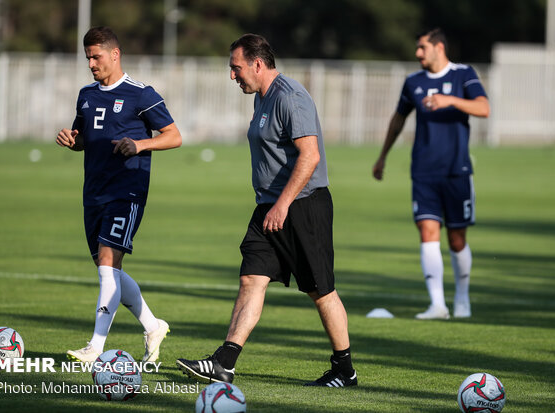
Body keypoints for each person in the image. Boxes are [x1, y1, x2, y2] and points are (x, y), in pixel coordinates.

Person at [176, 34, 357, 387]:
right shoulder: (262, 98)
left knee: (320, 290)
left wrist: (283, 205)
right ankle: (223, 362)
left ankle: (344, 370)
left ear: (258, 64)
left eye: (236, 67)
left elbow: (311, 156)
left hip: (302, 207)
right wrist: (272, 206)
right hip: (268, 208)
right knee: (251, 279)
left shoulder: (290, 98)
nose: (232, 75)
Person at [56, 26, 182, 362]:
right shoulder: (86, 94)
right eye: (87, 58)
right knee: (107, 270)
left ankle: (95, 347)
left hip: (127, 191)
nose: (91, 63)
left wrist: (139, 144)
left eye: (96, 56)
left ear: (115, 54)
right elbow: (85, 137)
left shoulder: (142, 94)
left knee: (108, 265)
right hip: (93, 192)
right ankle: (153, 325)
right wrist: (73, 140)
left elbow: (173, 136)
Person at [372, 28, 489, 320]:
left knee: (457, 239)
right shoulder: (414, 82)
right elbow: (399, 118)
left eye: (422, 47)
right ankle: (437, 305)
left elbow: (484, 108)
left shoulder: (464, 74)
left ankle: (462, 298)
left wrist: (451, 101)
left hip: (456, 171)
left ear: (439, 47)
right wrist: (383, 156)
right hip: (423, 171)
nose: (418, 53)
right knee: (427, 232)